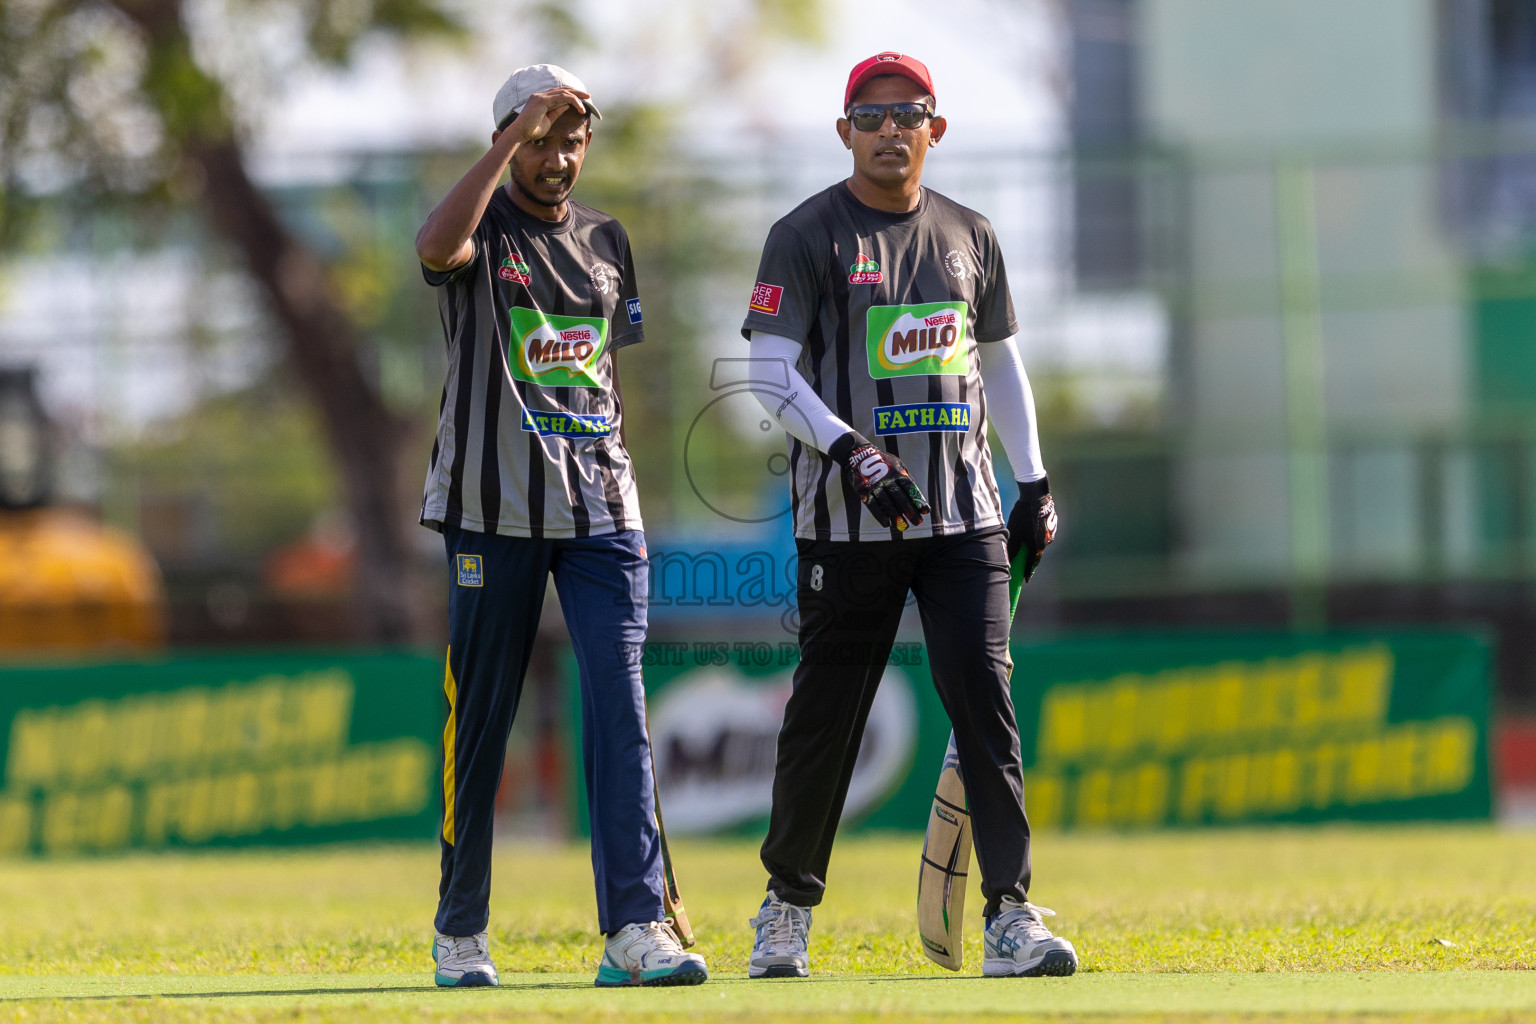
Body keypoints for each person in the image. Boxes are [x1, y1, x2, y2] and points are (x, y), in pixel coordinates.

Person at [739, 52, 1077, 979]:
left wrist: (1034, 481)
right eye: (872, 114)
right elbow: (770, 371)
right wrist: (851, 451)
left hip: (963, 520)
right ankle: (787, 908)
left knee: (988, 710)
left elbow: (998, 361)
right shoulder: (804, 233)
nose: (892, 129)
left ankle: (1011, 912)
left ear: (937, 127)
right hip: (847, 526)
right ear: (845, 130)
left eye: (910, 112)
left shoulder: (972, 232)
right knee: (827, 717)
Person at [413, 63, 707, 989]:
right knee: (484, 720)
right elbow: (432, 246)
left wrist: (621, 492)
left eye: (572, 137)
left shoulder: (609, 240)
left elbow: (600, 378)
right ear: (509, 139)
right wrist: (505, 144)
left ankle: (634, 926)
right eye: (540, 138)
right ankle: (461, 930)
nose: (558, 156)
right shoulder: (479, 225)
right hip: (490, 515)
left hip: (602, 520)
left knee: (620, 711)